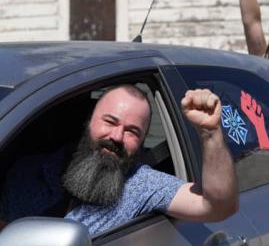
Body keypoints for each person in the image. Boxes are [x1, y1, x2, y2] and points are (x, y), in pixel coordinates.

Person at [0, 85, 238, 236]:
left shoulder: (141, 186)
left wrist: (210, 133)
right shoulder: (28, 171)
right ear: (89, 122)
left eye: (132, 131)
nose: (116, 137)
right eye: (110, 122)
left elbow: (217, 205)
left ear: (142, 142)